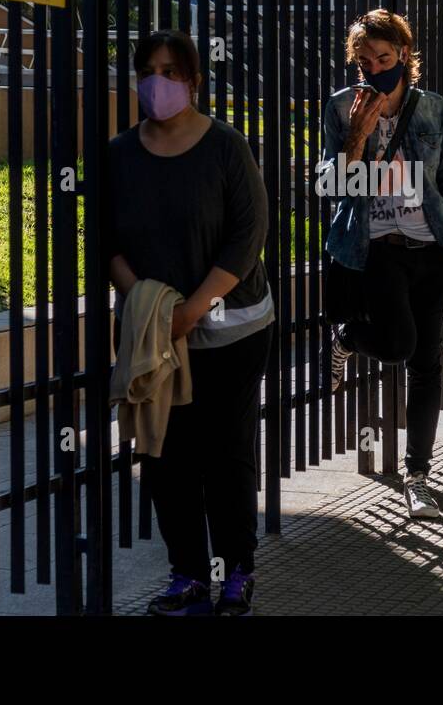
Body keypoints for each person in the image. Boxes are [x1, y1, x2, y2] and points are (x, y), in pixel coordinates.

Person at [103, 31, 275, 616]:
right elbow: (106, 242)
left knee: (226, 453)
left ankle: (236, 573)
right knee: (165, 455)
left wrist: (192, 309)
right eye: (149, 70)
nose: (159, 81)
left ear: (194, 81)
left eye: (172, 71)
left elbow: (247, 237)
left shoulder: (226, 146)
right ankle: (187, 575)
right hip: (158, 335)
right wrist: (149, 304)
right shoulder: (119, 155)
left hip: (233, 331)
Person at [321, 9, 443, 519]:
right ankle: (347, 338)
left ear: (404, 56)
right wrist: (355, 141)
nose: (373, 68)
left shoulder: (434, 110)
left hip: (431, 247)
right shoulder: (343, 107)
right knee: (397, 344)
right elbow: (329, 184)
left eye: (384, 58)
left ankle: (418, 475)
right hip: (377, 247)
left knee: (427, 361)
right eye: (364, 60)